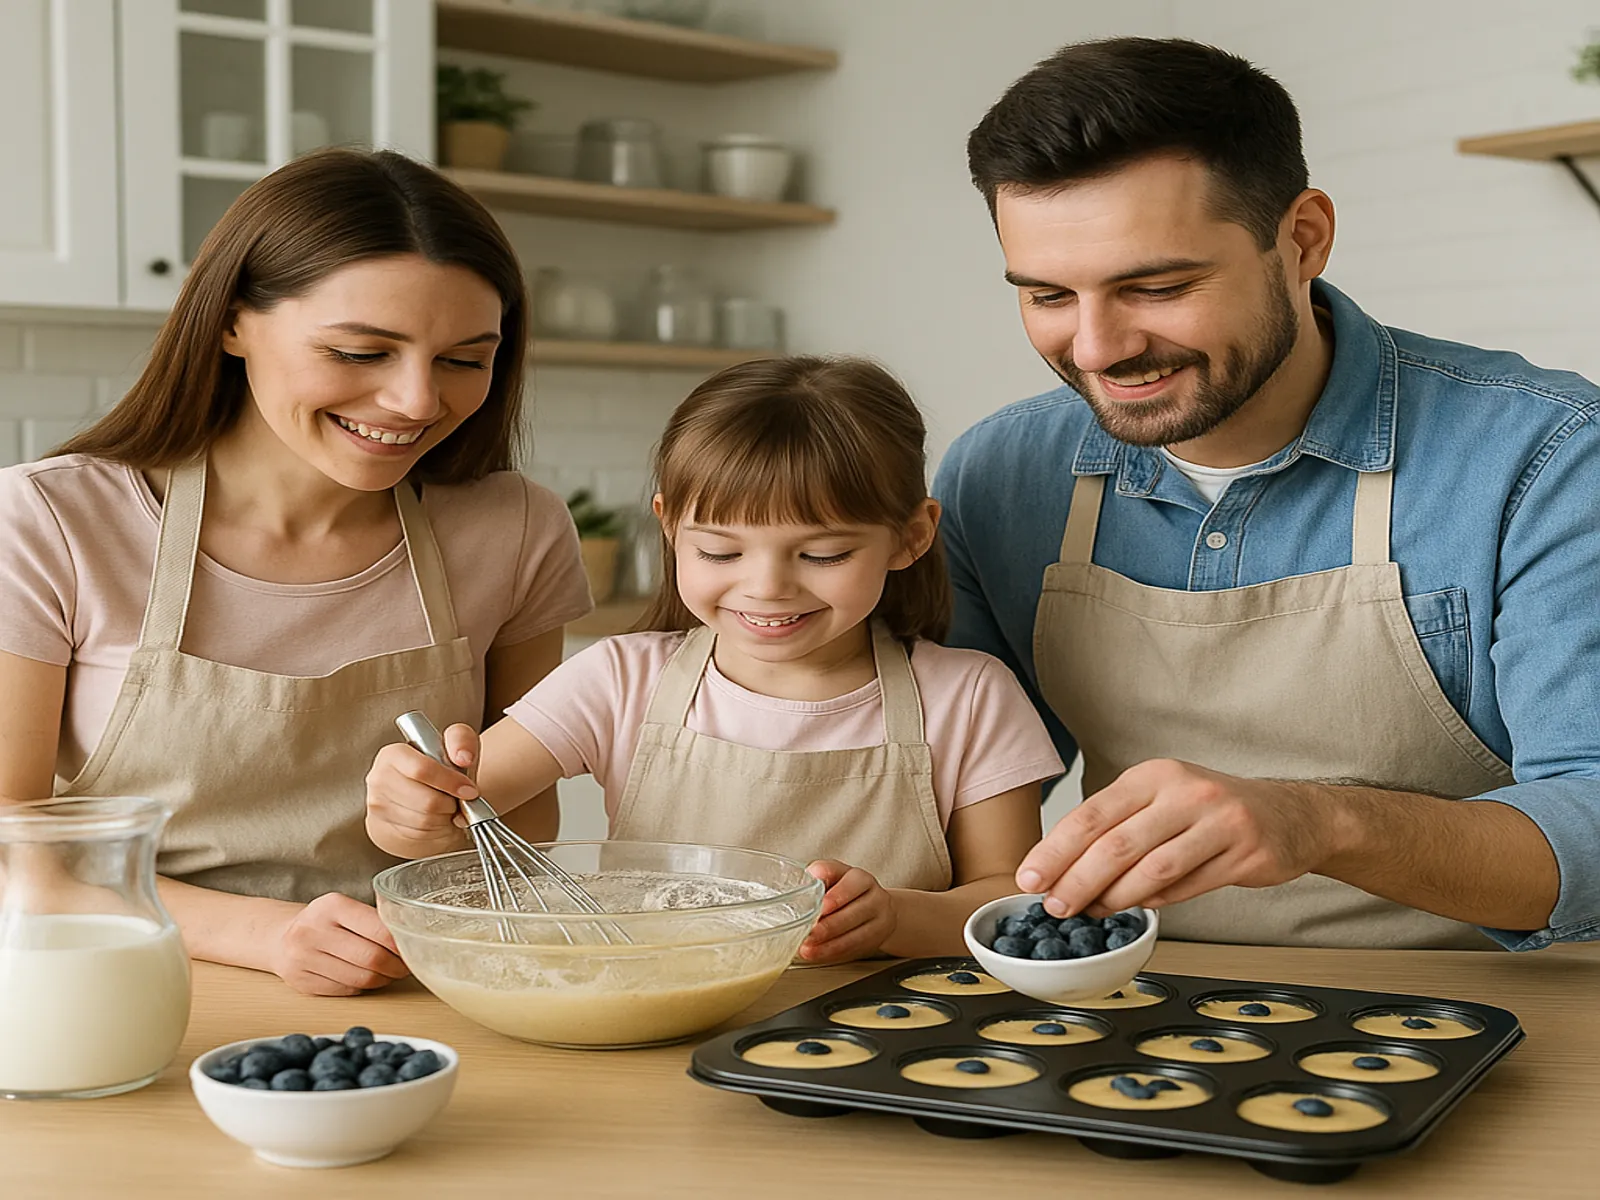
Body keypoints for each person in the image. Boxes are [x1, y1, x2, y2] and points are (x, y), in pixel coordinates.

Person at [934, 37, 1600, 950]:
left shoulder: (1545, 455)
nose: (1095, 350)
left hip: (1484, 1023)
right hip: (1132, 1007)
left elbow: (1595, 818)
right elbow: (955, 768)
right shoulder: (998, 478)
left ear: (1303, 240)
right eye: (1048, 295)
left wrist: (1318, 823)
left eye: (1157, 286)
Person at [0, 149, 592, 994]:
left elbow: (529, 825)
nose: (418, 402)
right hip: (130, 985)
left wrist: (444, 832)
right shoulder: (53, 522)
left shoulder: (515, 527)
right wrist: (271, 936)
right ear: (233, 322)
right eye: (360, 353)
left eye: (464, 359)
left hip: (421, 991)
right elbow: (9, 844)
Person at [365, 356, 1064, 963]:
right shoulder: (619, 680)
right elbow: (456, 813)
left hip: (880, 1026)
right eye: (721, 552)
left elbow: (1010, 900)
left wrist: (897, 917)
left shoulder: (969, 696)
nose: (766, 587)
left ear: (910, 537)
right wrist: (411, 806)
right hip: (660, 1014)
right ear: (669, 526)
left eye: (823, 554)